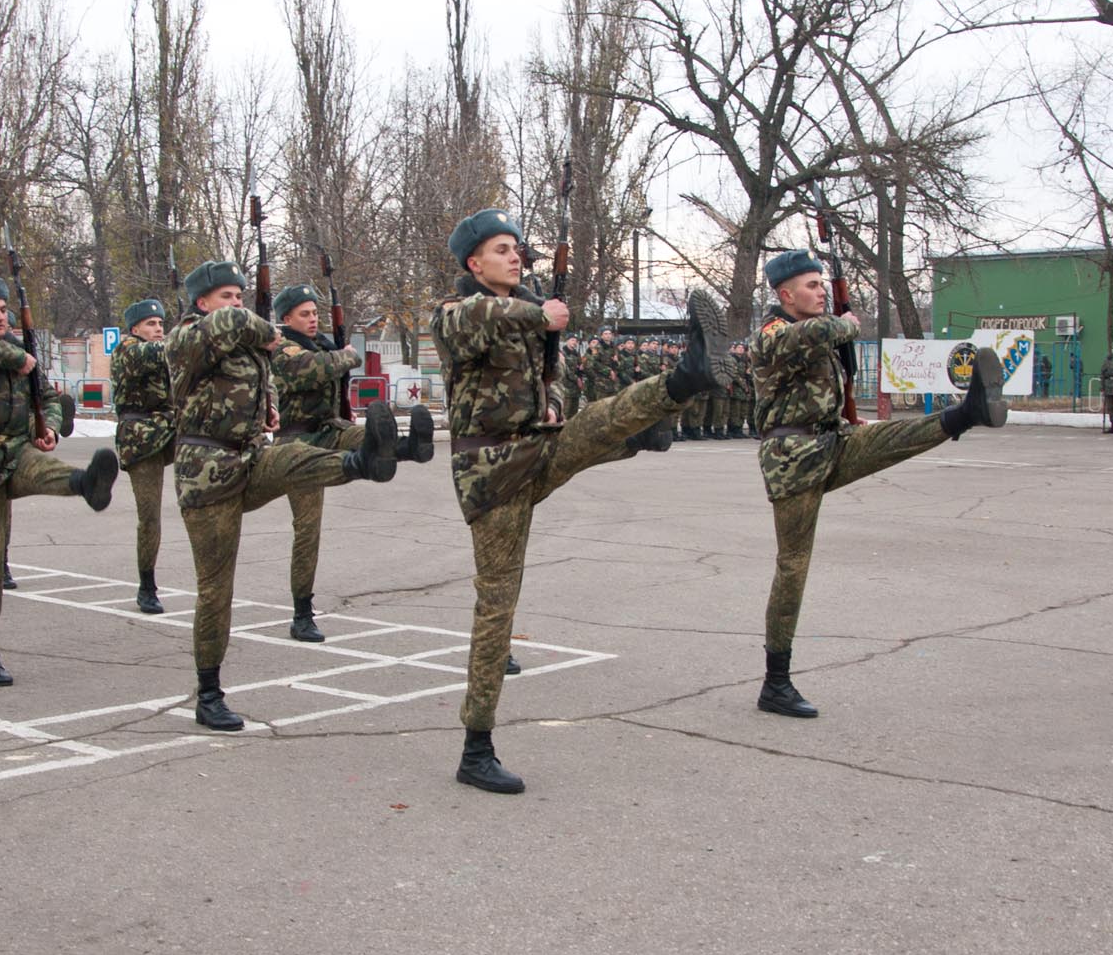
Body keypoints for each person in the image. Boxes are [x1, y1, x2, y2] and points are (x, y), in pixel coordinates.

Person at [431, 208, 733, 794]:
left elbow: (560, 379)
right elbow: (474, 319)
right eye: (501, 250)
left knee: (591, 421)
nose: (515, 256)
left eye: (517, 248)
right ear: (474, 263)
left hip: (535, 447)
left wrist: (552, 400)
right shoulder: (459, 312)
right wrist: (539, 314)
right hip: (489, 471)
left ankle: (685, 379)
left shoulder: (533, 317)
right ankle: (476, 750)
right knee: (496, 605)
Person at [751, 249, 1008, 718]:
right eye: (811, 286)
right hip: (792, 461)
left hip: (832, 441)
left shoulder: (816, 334)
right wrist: (848, 322)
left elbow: (823, 385)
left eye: (821, 283)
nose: (820, 291)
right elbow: (818, 331)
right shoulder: (773, 333)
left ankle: (968, 413)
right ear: (785, 295)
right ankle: (776, 683)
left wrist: (849, 421)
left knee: (896, 437)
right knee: (793, 566)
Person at [167, 261, 401, 732]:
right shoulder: (188, 337)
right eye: (226, 295)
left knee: (295, 459)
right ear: (202, 303)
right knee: (217, 590)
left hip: (250, 458)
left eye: (239, 293)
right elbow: (233, 324)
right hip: (206, 475)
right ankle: (209, 695)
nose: (235, 302)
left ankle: (362, 462)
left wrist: (266, 411)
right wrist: (268, 332)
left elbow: (256, 376)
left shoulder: (245, 345)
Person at [0, 278, 120, 686]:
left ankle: (87, 484)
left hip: (17, 451)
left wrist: (50, 427)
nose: (0, 316)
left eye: (3, 309)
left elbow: (50, 398)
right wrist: (18, 357)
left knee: (46, 470)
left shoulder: (21, 353)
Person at [271, 283, 435, 642]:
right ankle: (301, 614)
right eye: (305, 314)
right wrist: (347, 355)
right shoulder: (281, 347)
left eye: (315, 313)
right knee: (308, 530)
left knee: (369, 439)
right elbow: (310, 370)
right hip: (295, 443)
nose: (313, 319)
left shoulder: (323, 346)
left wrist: (340, 354)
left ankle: (404, 447)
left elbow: (327, 362)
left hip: (330, 429)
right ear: (287, 319)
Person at [110, 299, 177, 612]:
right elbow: (152, 355)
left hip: (171, 430)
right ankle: (146, 584)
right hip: (141, 439)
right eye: (151, 324)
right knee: (149, 516)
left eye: (161, 324)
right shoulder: (128, 349)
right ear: (135, 328)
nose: (158, 329)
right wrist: (189, 336)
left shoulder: (163, 350)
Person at [1100, 349, 1113, 433]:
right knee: (1110, 408)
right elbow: (1102, 374)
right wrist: (1102, 387)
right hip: (1109, 387)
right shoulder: (1107, 361)